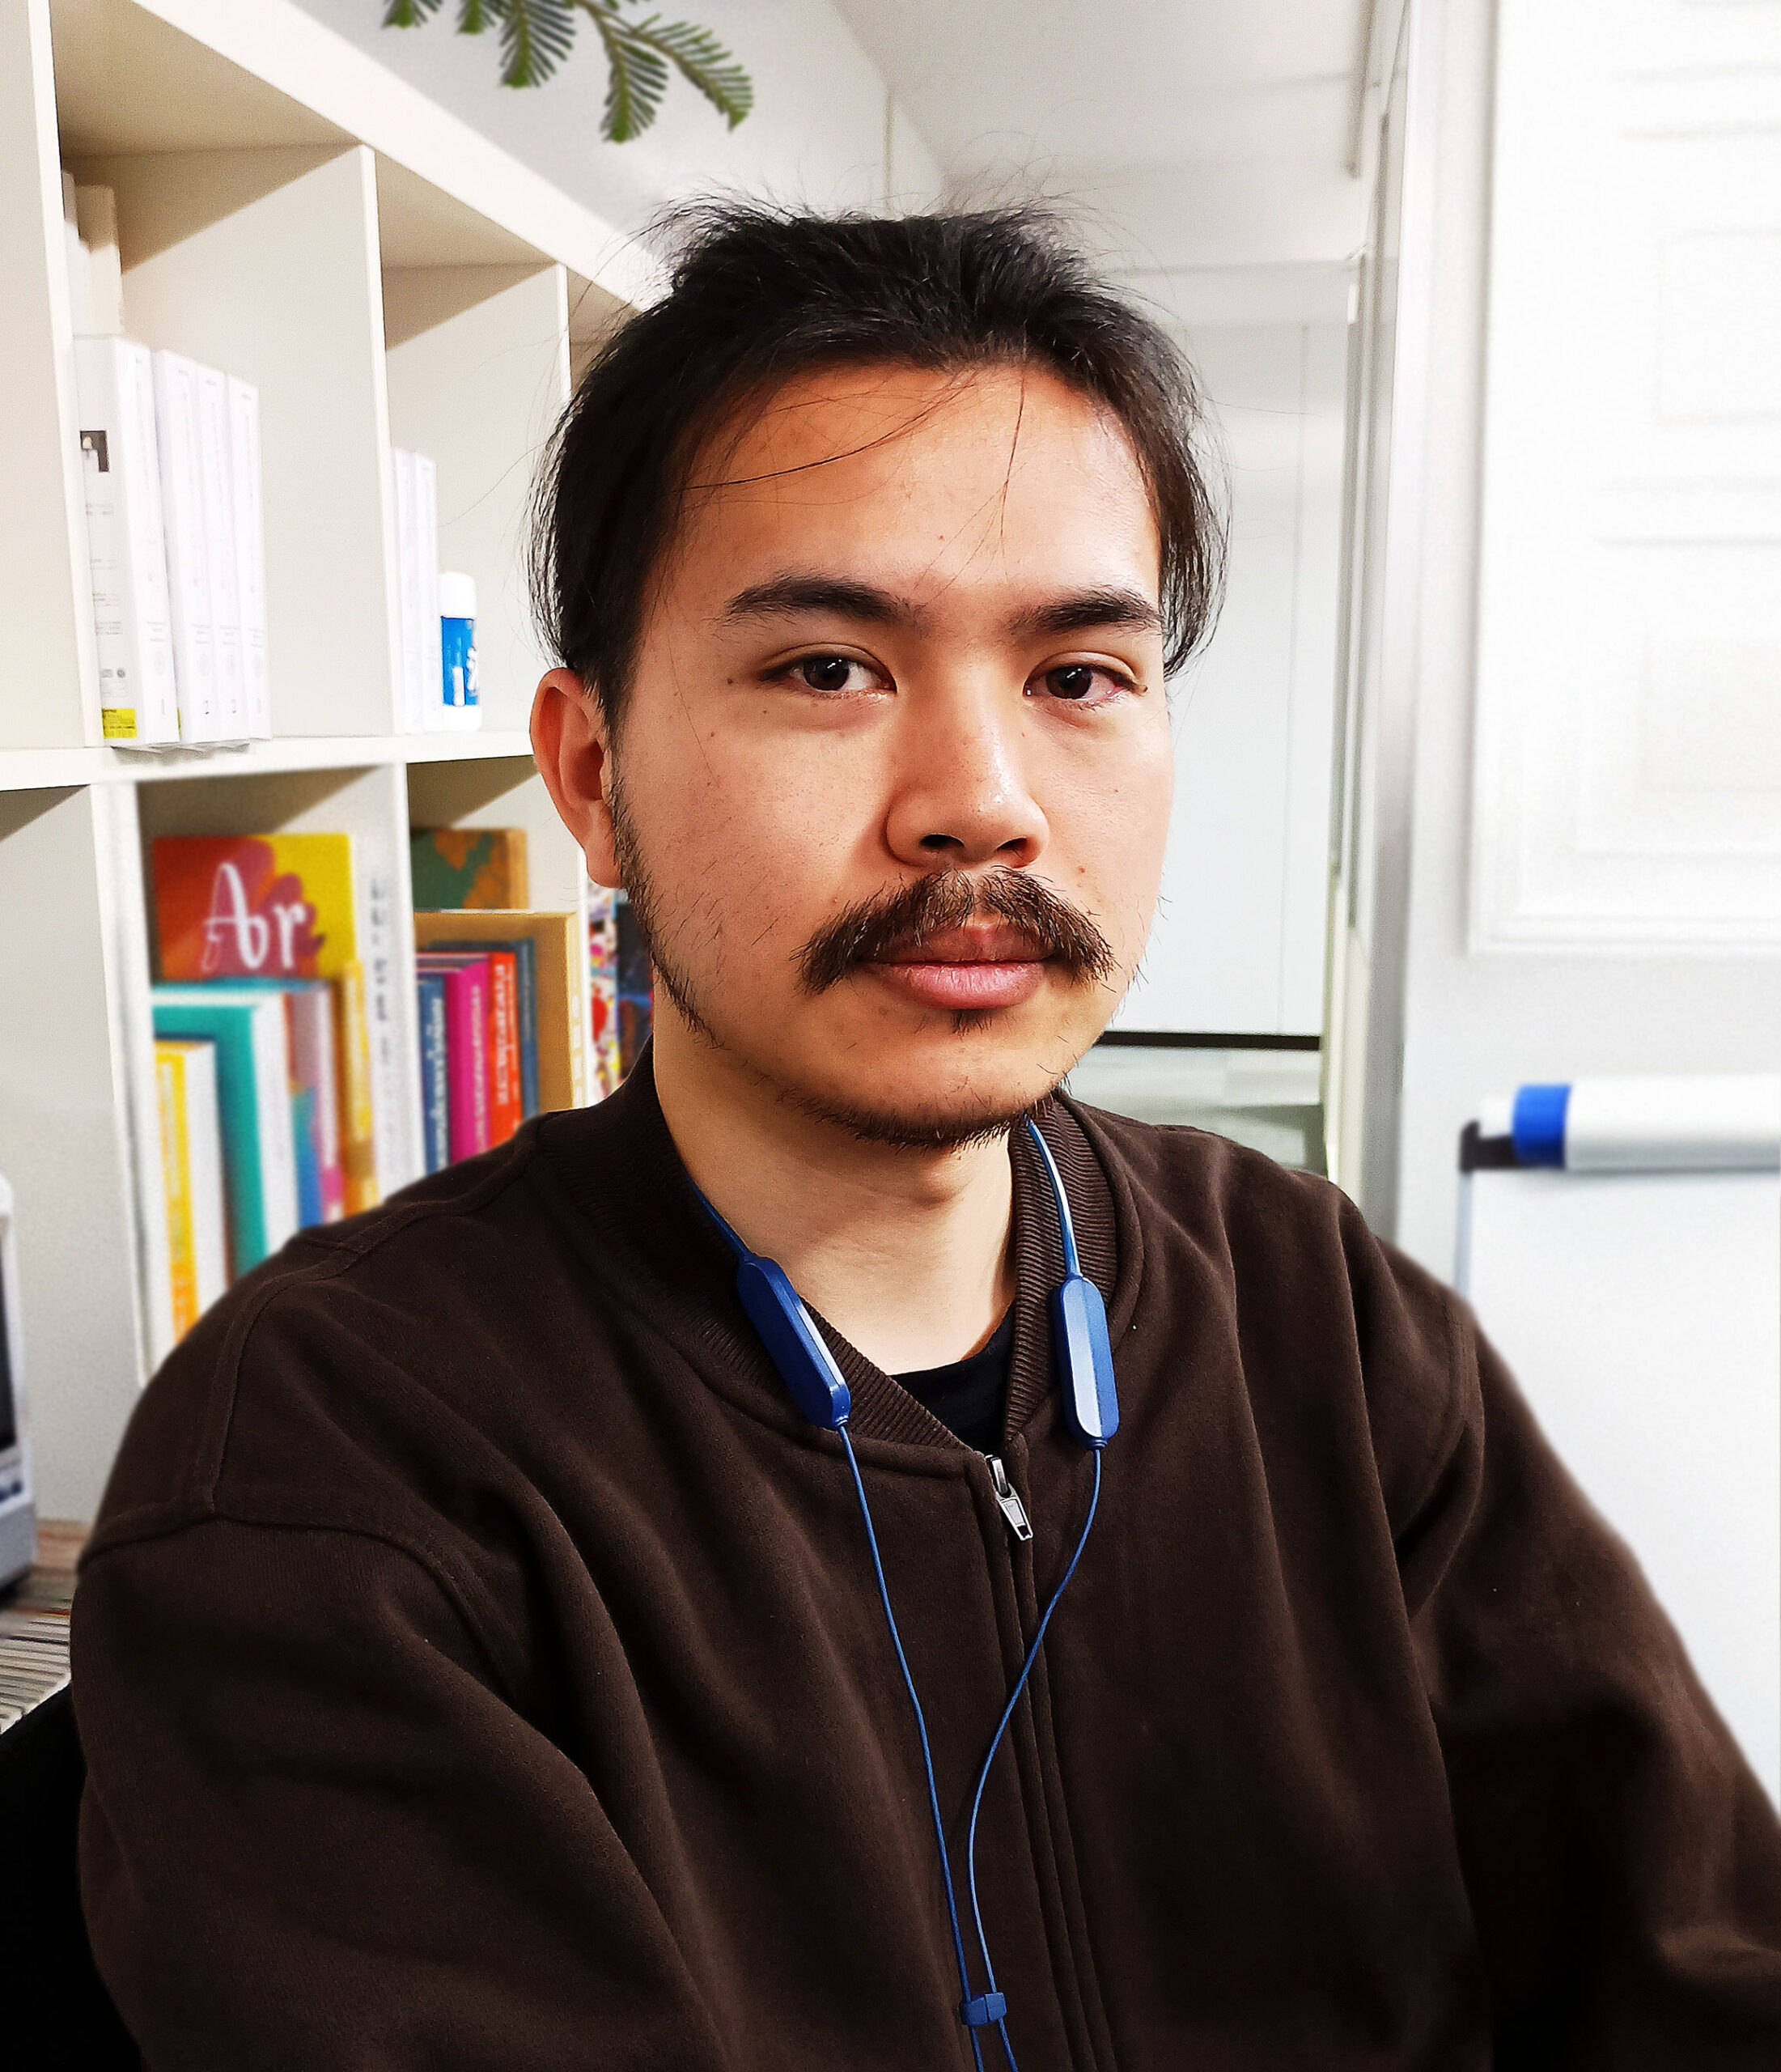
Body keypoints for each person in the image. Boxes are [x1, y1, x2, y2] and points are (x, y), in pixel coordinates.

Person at [73, 205, 1780, 2070]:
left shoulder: (1310, 1305)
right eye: (828, 667)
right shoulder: (330, 1468)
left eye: (1079, 677)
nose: (983, 807)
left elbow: (1693, 1961)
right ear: (592, 776)